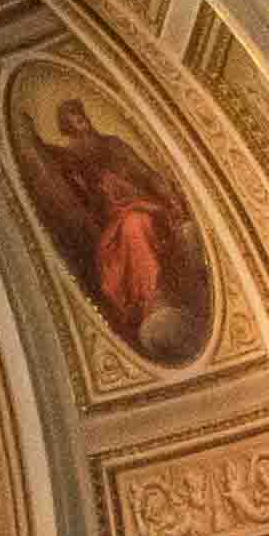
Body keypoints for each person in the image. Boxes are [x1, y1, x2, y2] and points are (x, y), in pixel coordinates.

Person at [22, 94, 206, 360]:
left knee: (152, 224)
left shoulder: (113, 144)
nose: (80, 120)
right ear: (67, 125)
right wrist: (33, 139)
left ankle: (170, 289)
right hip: (117, 216)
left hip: (144, 204)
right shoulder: (73, 154)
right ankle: (153, 296)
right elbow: (53, 159)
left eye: (80, 113)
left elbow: (145, 172)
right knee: (134, 227)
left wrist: (170, 197)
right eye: (73, 117)